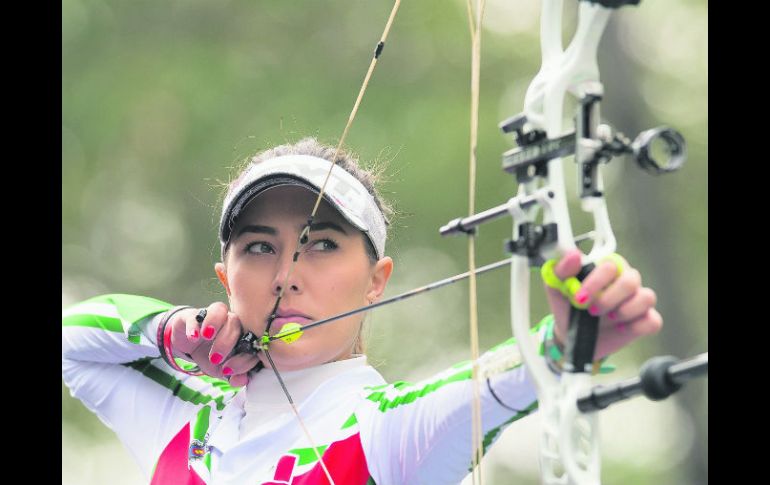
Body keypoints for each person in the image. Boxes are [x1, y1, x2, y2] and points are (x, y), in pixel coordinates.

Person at [61, 137, 661, 485]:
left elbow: (492, 385)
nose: (286, 275)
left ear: (377, 281)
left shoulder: (386, 433)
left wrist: (565, 340)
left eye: (322, 244)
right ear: (225, 277)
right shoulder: (181, 421)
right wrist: (169, 333)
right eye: (259, 247)